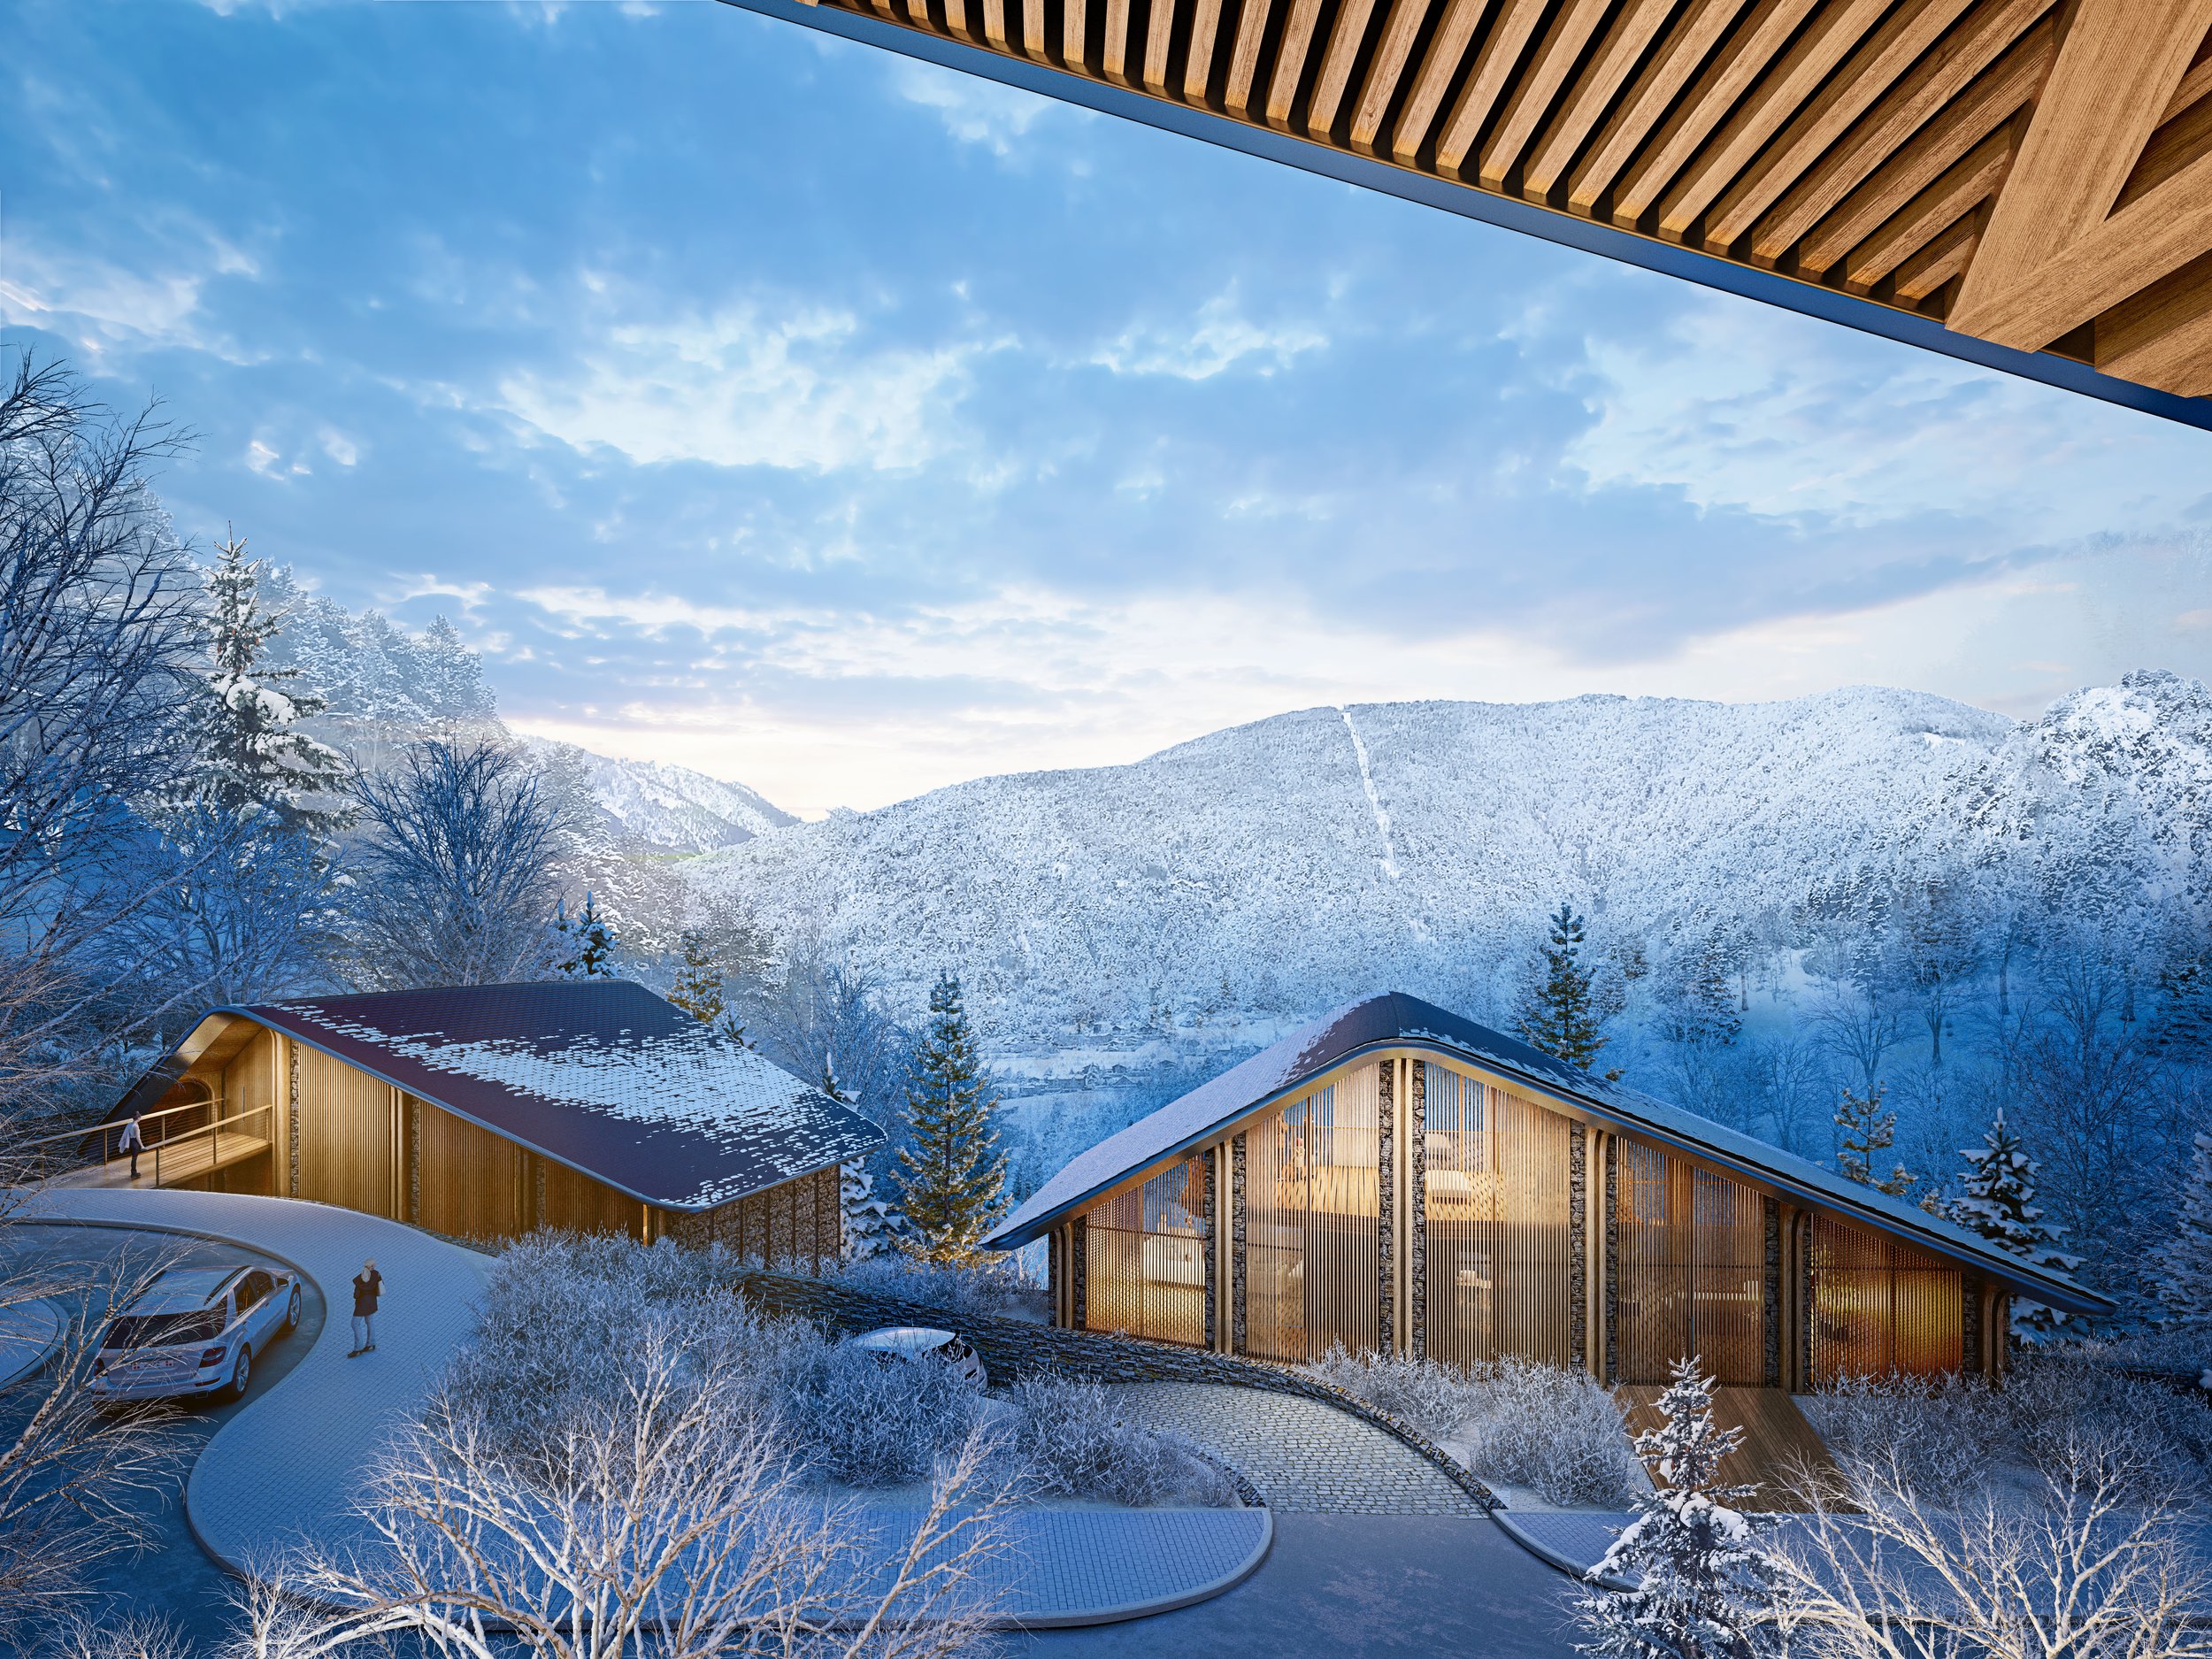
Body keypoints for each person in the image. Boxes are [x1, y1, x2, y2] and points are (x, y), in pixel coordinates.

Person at [349, 1259, 381, 1357]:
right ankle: (371, 1343)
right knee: (370, 1322)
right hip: (371, 1302)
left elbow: (356, 1295)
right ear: (373, 1266)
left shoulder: (361, 1278)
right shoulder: (376, 1274)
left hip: (362, 1304)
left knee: (355, 1324)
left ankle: (357, 1348)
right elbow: (379, 1288)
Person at [117, 1112, 145, 1181]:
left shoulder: (129, 1124)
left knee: (133, 1158)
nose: (140, 1118)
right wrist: (142, 1146)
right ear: (138, 1118)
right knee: (134, 1159)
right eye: (140, 1117)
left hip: (130, 1143)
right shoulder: (136, 1126)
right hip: (135, 1143)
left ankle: (133, 1172)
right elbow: (138, 1138)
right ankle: (133, 1173)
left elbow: (126, 1134)